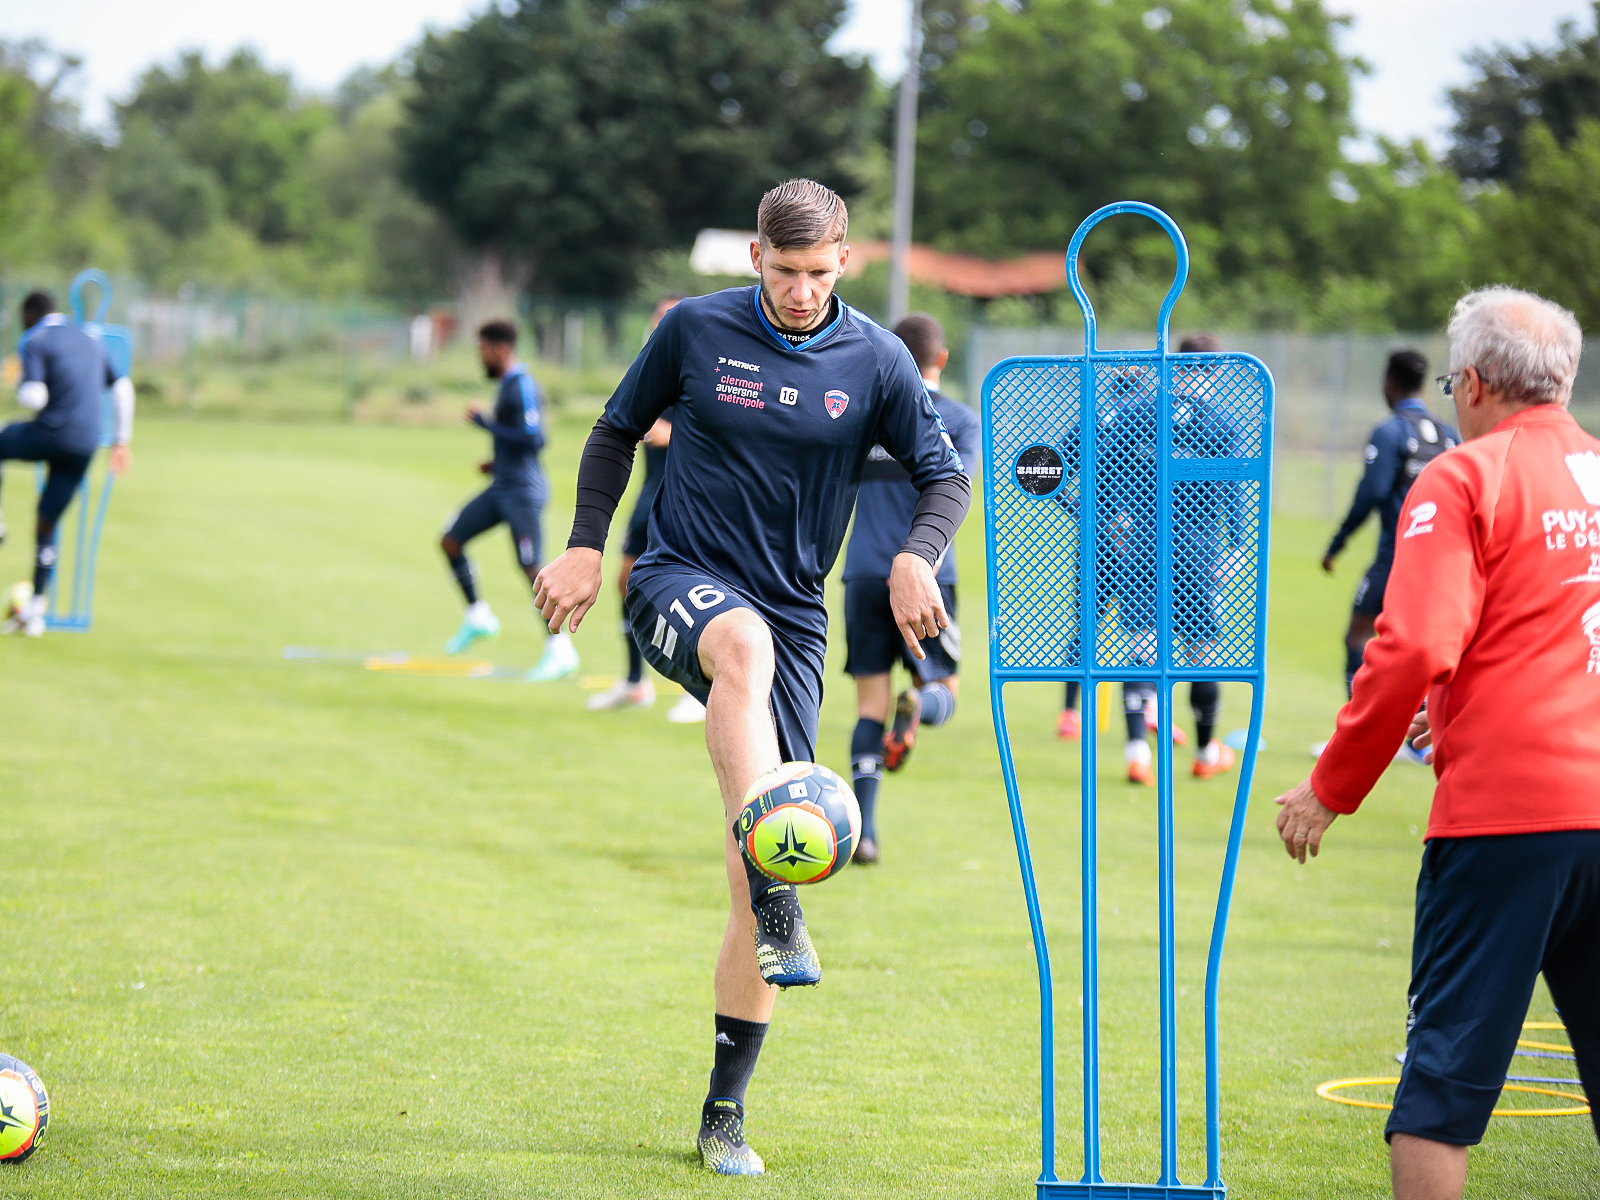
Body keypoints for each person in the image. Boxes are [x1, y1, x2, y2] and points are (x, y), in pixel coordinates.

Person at [533, 179, 969, 1176]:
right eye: (786, 272)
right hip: (678, 581)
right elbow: (611, 432)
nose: (804, 291)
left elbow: (943, 475)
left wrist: (914, 554)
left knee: (755, 864)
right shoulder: (693, 331)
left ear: (846, 261)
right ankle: (780, 892)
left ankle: (722, 1115)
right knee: (741, 656)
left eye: (821, 273)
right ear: (754, 261)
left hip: (795, 610)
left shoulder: (878, 358)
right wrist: (586, 547)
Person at [1275, 287, 1600, 1200]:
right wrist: (1460, 703)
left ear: (1478, 382)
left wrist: (1330, 787)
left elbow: (1415, 643)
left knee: (1438, 1094)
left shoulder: (1465, 475)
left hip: (1507, 822)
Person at [1062, 333, 1238, 784]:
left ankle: (1137, 752)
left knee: (1140, 651)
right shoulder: (1221, 423)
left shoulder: (1136, 411)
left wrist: (1107, 520)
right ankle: (1203, 751)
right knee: (1201, 656)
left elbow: (1086, 465)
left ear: (1173, 364)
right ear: (1216, 371)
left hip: (1139, 547)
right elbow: (1235, 509)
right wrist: (1230, 550)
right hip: (1198, 552)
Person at [840, 313, 979, 865]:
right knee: (944, 688)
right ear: (941, 359)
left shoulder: (863, 414)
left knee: (868, 707)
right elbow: (954, 487)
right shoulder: (961, 421)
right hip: (927, 578)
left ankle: (864, 832)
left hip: (862, 575)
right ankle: (918, 707)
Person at [586, 293, 706, 723]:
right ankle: (636, 682)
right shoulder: (651, 372)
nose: (663, 325)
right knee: (625, 581)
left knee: (687, 597)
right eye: (658, 318)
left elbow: (722, 439)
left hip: (688, 500)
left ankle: (697, 690)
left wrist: (671, 434)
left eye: (669, 319)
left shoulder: (708, 371)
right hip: (648, 492)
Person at [439, 319, 577, 682]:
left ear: (500, 349)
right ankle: (478, 617)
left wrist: (485, 424)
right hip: (503, 486)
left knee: (533, 570)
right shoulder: (506, 385)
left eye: (482, 351)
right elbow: (516, 441)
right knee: (451, 539)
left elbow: (535, 440)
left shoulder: (521, 385)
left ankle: (560, 651)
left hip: (523, 494)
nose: (480, 358)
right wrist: (495, 461)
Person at [1321, 351, 1459, 700]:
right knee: (1423, 644)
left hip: (1397, 556)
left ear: (1389, 383)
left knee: (1359, 634)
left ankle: (1357, 734)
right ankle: (1420, 738)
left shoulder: (1390, 431)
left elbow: (1372, 492)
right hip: (1443, 561)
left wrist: (1338, 543)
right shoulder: (1447, 434)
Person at [0, 290, 133, 637]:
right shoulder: (90, 340)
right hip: (85, 443)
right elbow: (122, 389)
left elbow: (35, 396)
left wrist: (19, 387)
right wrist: (121, 440)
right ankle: (34, 612)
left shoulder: (35, 339)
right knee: (47, 525)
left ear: (29, 314)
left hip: (50, 433)